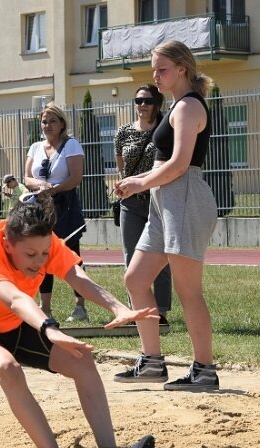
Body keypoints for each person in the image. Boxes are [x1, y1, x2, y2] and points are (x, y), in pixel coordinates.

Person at [0, 193, 157, 448]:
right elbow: (15, 299)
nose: (40, 261)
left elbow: (78, 277)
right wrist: (49, 328)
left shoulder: (45, 243)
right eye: (30, 254)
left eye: (44, 253)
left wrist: (118, 308)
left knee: (82, 359)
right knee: (7, 367)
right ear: (7, 244)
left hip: (17, 325)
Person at [109, 40, 220, 391]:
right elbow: (166, 166)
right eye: (154, 70)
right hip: (164, 201)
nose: (155, 76)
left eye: (162, 69)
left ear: (182, 68)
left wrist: (139, 183)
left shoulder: (188, 107)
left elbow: (179, 165)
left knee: (189, 291)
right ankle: (153, 362)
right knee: (136, 279)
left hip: (184, 198)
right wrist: (138, 182)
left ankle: (204, 369)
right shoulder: (175, 106)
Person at [24, 103, 88, 323]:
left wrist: (54, 189)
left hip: (65, 206)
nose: (47, 125)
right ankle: (45, 308)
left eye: (52, 121)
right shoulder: (35, 147)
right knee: (42, 255)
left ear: (62, 124)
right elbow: (27, 178)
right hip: (40, 207)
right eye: (44, 121)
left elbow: (75, 177)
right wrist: (39, 185)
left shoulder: (71, 145)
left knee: (71, 254)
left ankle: (80, 306)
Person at [114, 84, 172, 326]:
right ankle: (136, 309)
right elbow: (121, 165)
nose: (142, 105)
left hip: (156, 200)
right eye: (138, 101)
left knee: (159, 256)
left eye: (147, 101)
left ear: (157, 103)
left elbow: (167, 164)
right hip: (130, 202)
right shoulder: (123, 132)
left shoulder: (164, 130)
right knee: (130, 254)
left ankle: (161, 312)